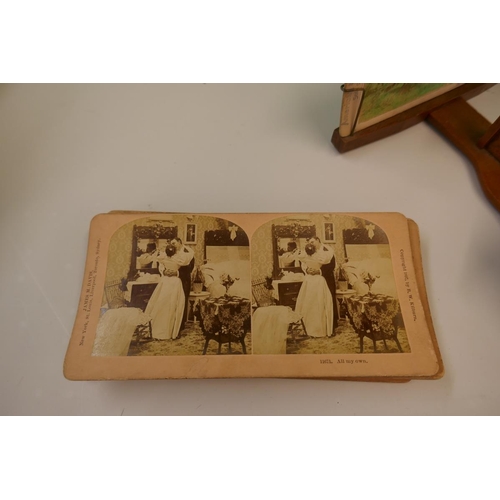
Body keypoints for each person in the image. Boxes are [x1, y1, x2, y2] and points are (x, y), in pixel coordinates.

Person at [144, 244, 187, 340]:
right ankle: (166, 330)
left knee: (165, 303)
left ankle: (166, 329)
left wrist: (171, 272)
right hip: (173, 281)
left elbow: (186, 269)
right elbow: (162, 267)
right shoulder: (179, 259)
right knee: (168, 304)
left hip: (167, 281)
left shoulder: (163, 258)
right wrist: (164, 272)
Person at [294, 242, 334, 338]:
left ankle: (309, 327)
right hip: (317, 280)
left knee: (310, 302)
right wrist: (307, 269)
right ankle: (316, 328)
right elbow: (330, 255)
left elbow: (301, 260)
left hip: (310, 280)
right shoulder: (322, 256)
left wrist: (310, 269)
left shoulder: (303, 256)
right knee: (317, 303)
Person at [308, 236, 339, 332]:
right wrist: (308, 269)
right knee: (317, 300)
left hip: (327, 278)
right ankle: (318, 325)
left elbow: (331, 266)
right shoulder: (310, 250)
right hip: (315, 280)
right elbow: (306, 263)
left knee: (328, 298)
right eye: (310, 242)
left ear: (318, 240)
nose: (311, 244)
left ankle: (331, 324)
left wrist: (319, 272)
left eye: (313, 242)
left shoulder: (328, 250)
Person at [171, 237, 195, 332]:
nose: (173, 245)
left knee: (183, 300)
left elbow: (189, 269)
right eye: (172, 244)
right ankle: (173, 322)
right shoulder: (173, 251)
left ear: (180, 242)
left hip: (184, 279)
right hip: (174, 280)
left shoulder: (188, 251)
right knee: (174, 300)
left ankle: (181, 324)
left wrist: (177, 273)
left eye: (174, 243)